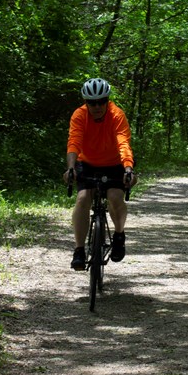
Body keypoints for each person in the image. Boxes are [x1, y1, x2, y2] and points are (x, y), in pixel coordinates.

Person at [63, 78, 135, 271]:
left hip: (114, 164)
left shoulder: (116, 114)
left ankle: (119, 236)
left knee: (114, 196)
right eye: (92, 102)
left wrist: (128, 168)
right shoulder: (79, 115)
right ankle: (79, 250)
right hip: (87, 163)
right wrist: (70, 168)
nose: (97, 106)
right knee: (83, 198)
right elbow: (74, 143)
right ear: (86, 102)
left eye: (101, 101)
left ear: (107, 99)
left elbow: (123, 143)